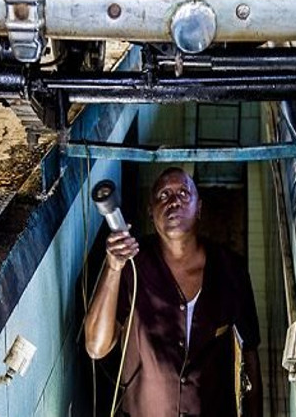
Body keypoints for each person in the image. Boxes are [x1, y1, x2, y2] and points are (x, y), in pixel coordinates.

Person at [84, 167, 263, 417]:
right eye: (164, 195)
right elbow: (96, 347)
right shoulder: (132, 265)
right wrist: (113, 267)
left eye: (183, 193)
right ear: (150, 210)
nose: (174, 200)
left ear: (199, 208)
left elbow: (250, 353)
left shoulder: (230, 269)